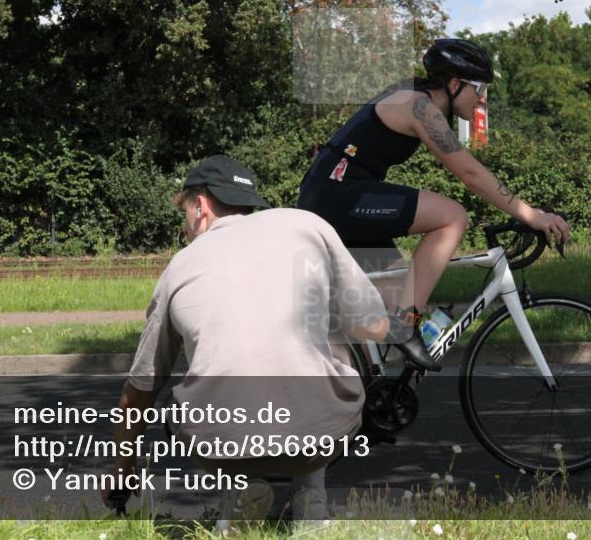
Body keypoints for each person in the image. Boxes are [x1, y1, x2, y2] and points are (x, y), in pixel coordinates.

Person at [101, 155, 389, 529]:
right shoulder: (307, 226)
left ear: (200, 206)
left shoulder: (179, 267)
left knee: (203, 374)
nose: (187, 227)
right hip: (321, 436)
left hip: (221, 445)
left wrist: (123, 468)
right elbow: (376, 326)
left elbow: (139, 392)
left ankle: (239, 494)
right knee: (324, 339)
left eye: (185, 214)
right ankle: (311, 497)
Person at [298, 38, 569, 362]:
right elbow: (469, 173)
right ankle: (403, 327)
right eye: (478, 88)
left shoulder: (417, 99)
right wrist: (530, 214)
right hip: (336, 195)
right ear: (454, 83)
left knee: (400, 294)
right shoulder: (419, 107)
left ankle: (369, 389)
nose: (481, 100)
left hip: (336, 195)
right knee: (452, 217)